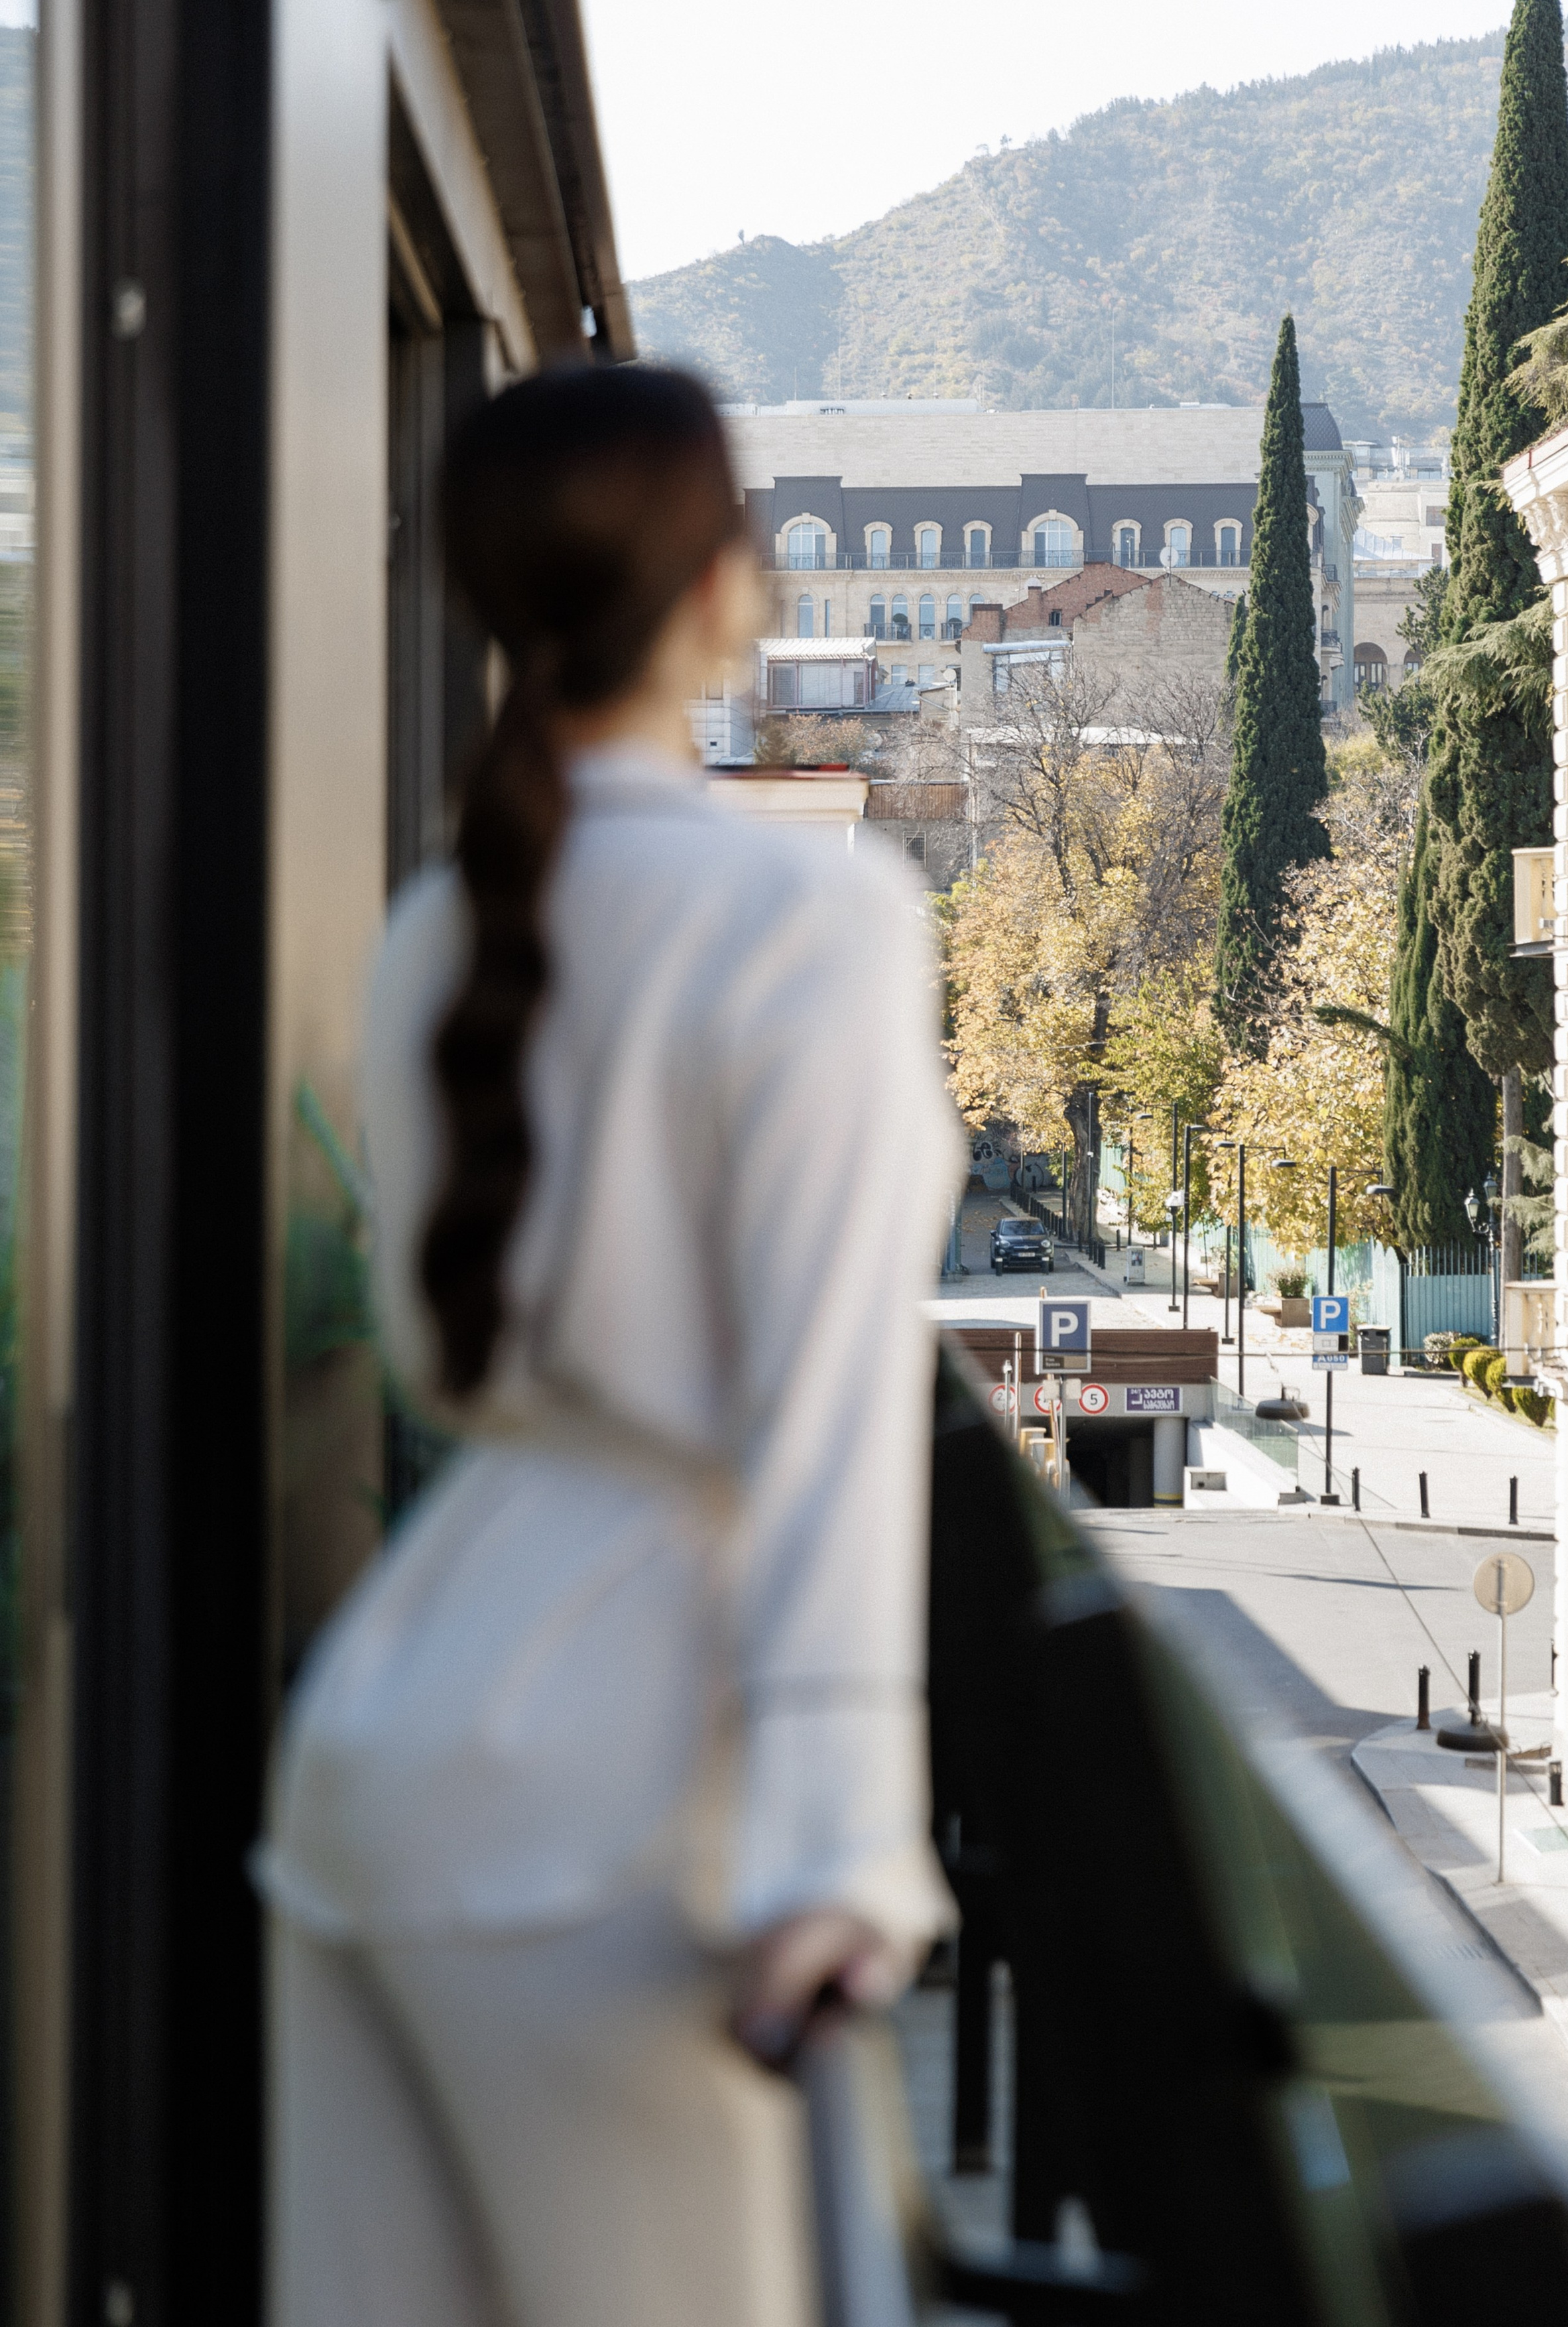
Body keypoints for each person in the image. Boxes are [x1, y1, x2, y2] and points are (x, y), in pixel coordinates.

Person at [258, 366, 961, 2327]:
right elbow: (830, 1412)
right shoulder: (809, 922)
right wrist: (839, 1850)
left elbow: (437, 1357)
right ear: (721, 587)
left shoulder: (438, 933)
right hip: (626, 1813)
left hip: (381, 1754)